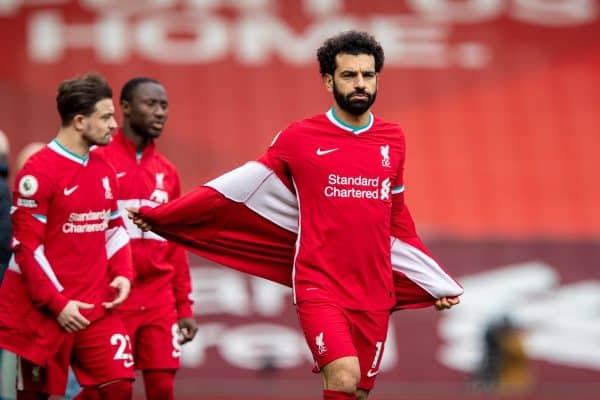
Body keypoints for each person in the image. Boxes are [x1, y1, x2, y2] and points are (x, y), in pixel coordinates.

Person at [129, 31, 462, 400]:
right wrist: (165, 216)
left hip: (374, 290)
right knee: (344, 377)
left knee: (359, 392)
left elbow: (397, 220)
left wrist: (432, 277)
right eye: (349, 75)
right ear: (328, 80)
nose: (360, 84)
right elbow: (239, 187)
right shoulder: (299, 138)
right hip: (320, 284)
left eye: (368, 75)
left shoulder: (393, 139)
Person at [0, 73, 135, 400]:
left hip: (94, 308)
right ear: (79, 121)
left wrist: (123, 273)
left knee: (119, 386)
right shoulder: (38, 172)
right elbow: (28, 250)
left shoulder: (103, 168)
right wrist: (58, 304)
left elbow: (113, 226)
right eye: (105, 117)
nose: (114, 125)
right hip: (46, 313)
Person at [90, 77, 196, 400]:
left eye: (164, 105)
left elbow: (175, 245)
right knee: (112, 389)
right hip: (112, 296)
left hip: (159, 299)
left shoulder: (168, 172)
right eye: (150, 104)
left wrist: (185, 306)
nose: (160, 112)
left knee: (162, 388)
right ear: (124, 107)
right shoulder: (97, 161)